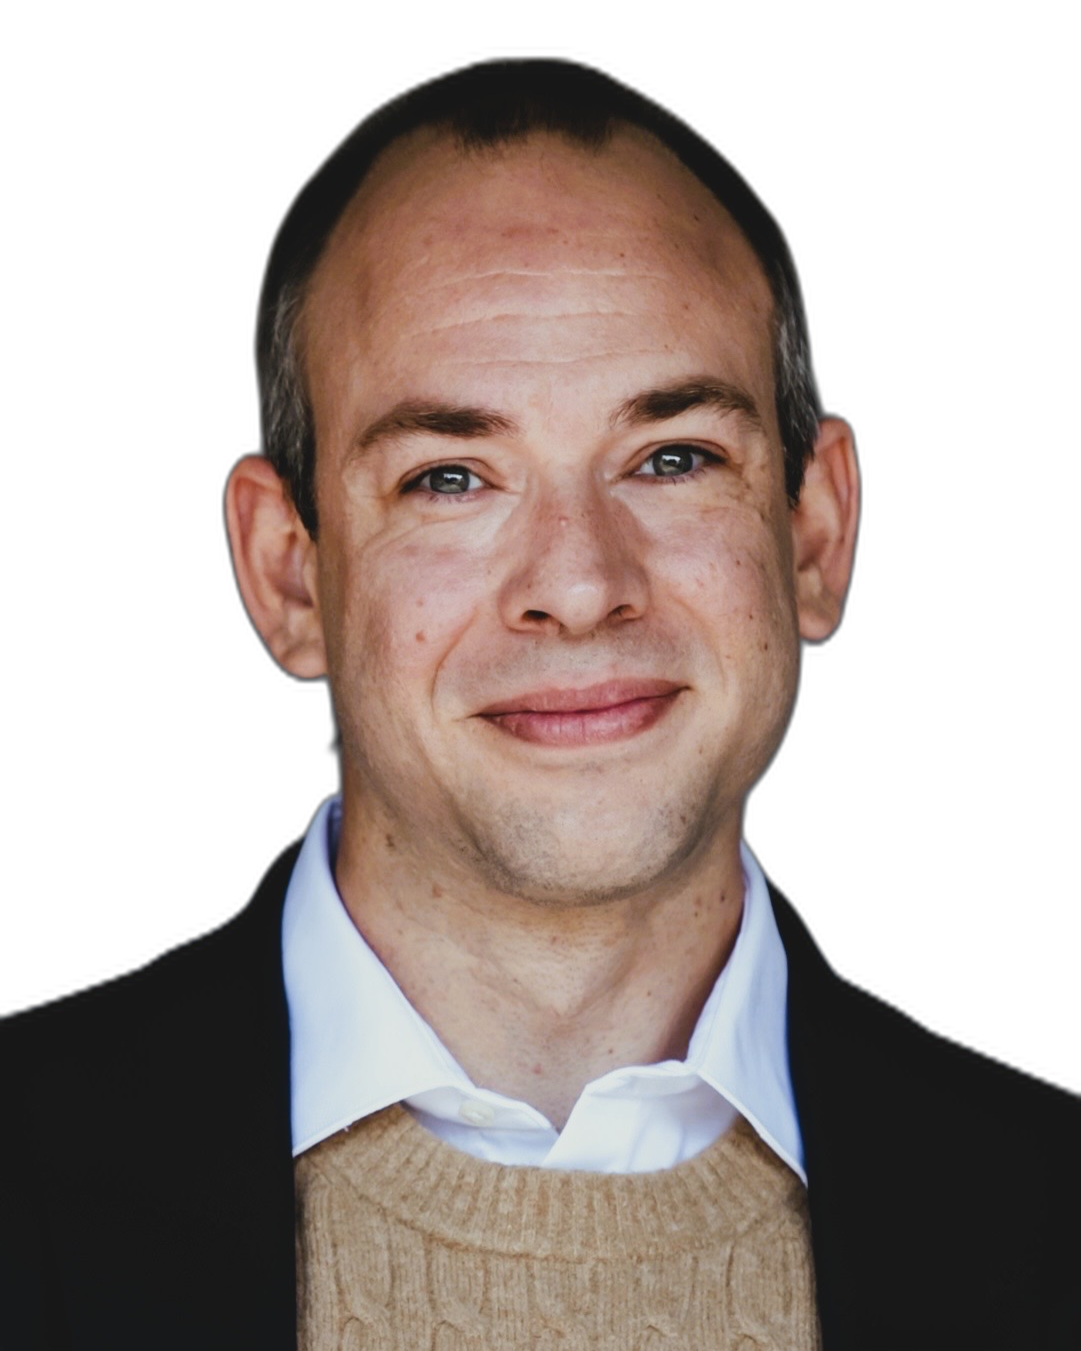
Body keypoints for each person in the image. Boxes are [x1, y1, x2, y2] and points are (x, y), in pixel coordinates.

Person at [3, 59, 1077, 1351]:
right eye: (452, 476)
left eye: (671, 457)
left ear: (814, 533)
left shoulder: (1050, 1212)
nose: (578, 584)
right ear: (291, 576)